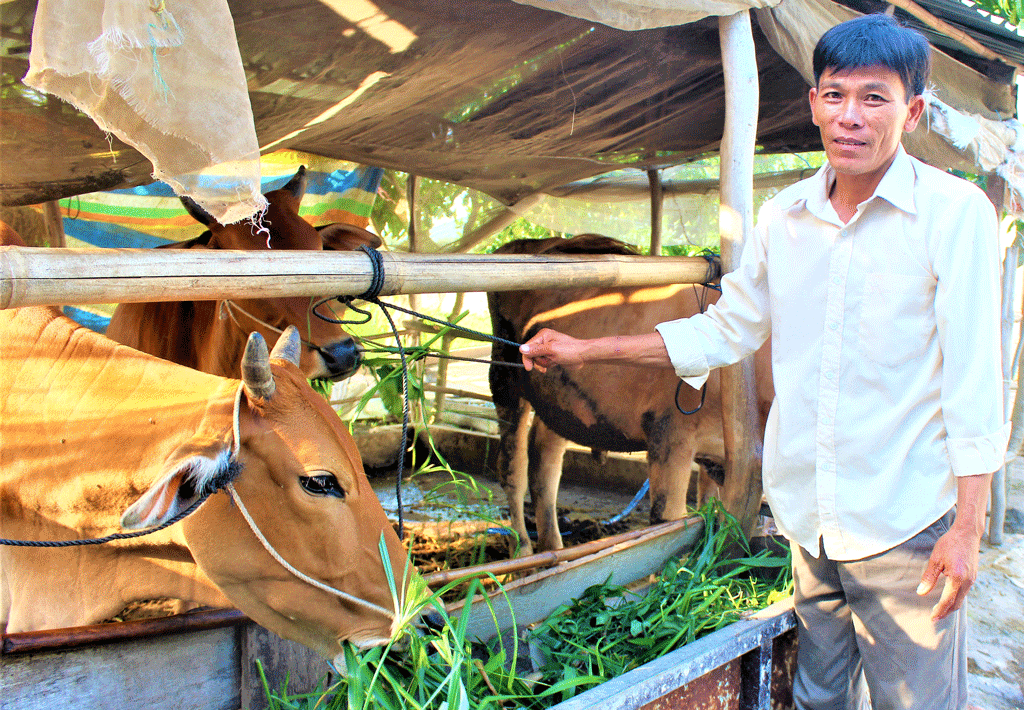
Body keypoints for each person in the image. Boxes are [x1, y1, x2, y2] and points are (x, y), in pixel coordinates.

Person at [519, 14, 1008, 710]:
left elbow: (974, 381)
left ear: (914, 110)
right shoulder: (785, 218)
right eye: (836, 95)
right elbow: (723, 331)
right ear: (814, 104)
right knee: (813, 695)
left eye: (876, 98)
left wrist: (966, 528)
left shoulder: (954, 215)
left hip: (905, 523)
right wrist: (584, 347)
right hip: (808, 519)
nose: (851, 117)